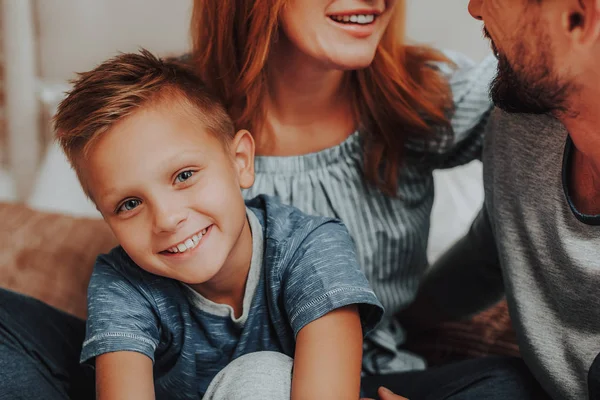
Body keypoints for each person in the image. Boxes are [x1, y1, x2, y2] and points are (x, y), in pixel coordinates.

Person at [51, 50, 384, 399]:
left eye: (184, 175)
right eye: (129, 204)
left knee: (264, 373)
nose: (166, 218)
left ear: (240, 161)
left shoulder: (311, 247)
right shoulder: (123, 282)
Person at [380, 0, 600, 399]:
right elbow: (493, 253)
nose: (475, 9)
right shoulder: (523, 125)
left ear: (579, 17)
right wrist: (389, 323)